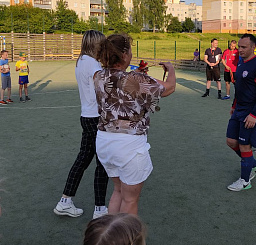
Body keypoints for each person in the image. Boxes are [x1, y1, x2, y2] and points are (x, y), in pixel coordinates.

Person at [94, 33, 176, 215]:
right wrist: (171, 69)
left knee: (118, 191)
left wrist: (137, 76)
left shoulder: (98, 76)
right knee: (130, 200)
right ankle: (127, 239)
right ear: (123, 55)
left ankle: (111, 238)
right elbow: (169, 88)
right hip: (129, 146)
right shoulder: (134, 80)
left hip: (104, 142)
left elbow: (120, 82)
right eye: (129, 50)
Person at [54, 30, 109, 219]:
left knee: (83, 159)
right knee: (101, 163)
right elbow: (102, 92)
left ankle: (65, 201)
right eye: (102, 44)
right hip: (96, 117)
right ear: (96, 44)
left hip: (86, 116)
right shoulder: (93, 65)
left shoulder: (82, 61)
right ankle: (100, 209)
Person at [226, 34, 256, 191]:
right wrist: (234, 105)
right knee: (231, 141)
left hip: (252, 112)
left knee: (245, 146)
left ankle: (245, 181)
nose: (240, 49)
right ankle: (253, 164)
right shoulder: (241, 62)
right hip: (239, 109)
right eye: (239, 46)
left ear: (253, 47)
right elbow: (240, 88)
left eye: (244, 47)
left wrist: (254, 115)